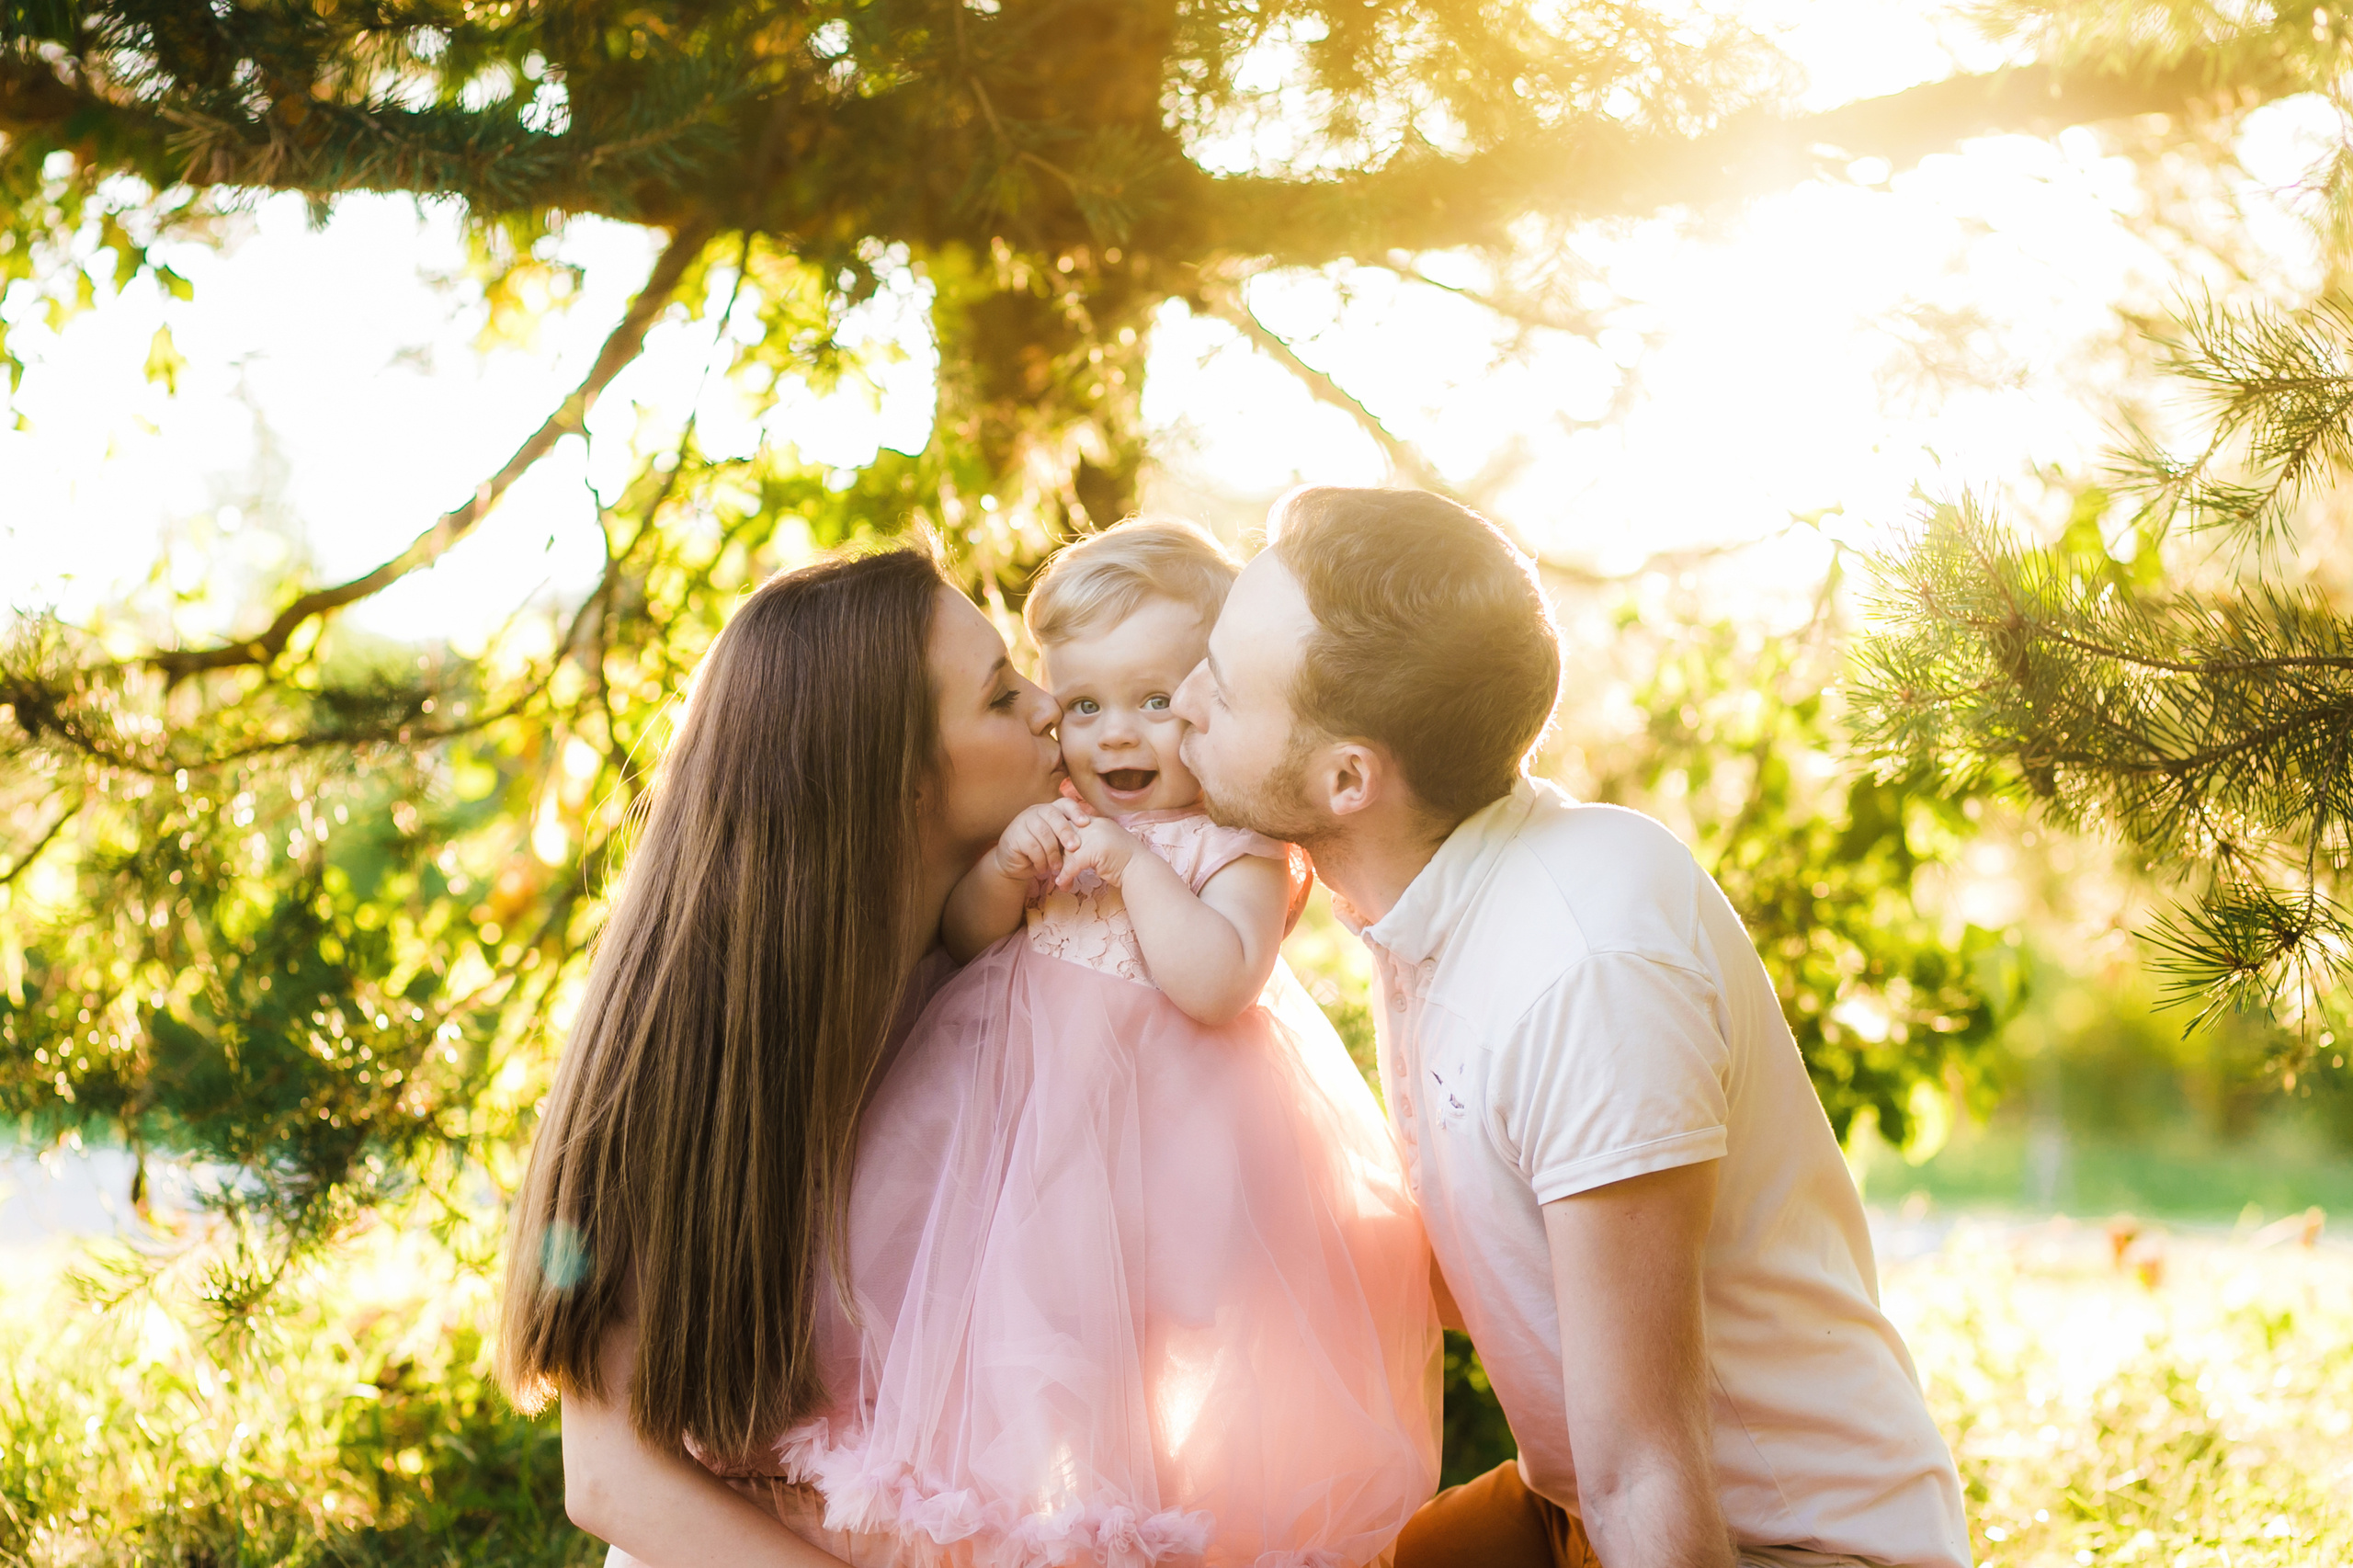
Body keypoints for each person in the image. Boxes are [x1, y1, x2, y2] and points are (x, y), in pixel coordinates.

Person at [1170, 487, 1973, 1568]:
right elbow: (1486, 1272)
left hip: (1768, 1540)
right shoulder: (1431, 905)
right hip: (1575, 1506)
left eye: (1219, 689)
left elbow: (1646, 1463)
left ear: (1347, 778)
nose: (1178, 703)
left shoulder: (1583, 966)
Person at [767, 518, 1438, 1567]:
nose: (1113, 734)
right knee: (1006, 1366)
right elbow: (965, 936)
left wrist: (1133, 867)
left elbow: (1217, 980)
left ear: (1214, 702)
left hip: (1171, 1164)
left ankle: (1124, 1538)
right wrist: (1005, 872)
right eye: (1083, 704)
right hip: (1015, 1150)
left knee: (1155, 1392)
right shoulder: (1053, 808)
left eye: (1154, 700)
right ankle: (998, 1529)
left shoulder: (1238, 842)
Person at [496, 543, 1067, 1567]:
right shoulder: (686, 1058)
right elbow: (608, 1474)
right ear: (896, 782)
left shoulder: (1043, 960)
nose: (1048, 705)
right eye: (998, 695)